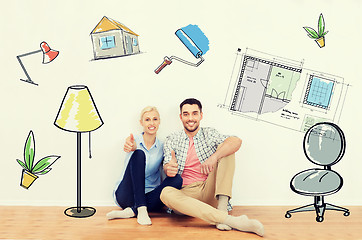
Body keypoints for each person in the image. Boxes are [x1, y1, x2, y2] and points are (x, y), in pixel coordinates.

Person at [160, 98, 264, 236]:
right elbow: (167, 165)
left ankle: (222, 209)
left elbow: (236, 141)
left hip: (209, 189)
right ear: (181, 117)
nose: (190, 118)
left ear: (201, 115)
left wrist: (214, 157)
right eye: (186, 114)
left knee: (227, 148)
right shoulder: (171, 139)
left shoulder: (209, 133)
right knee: (165, 193)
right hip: (187, 195)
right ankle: (231, 220)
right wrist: (169, 168)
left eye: (194, 113)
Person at [107, 106, 183, 225]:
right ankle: (141, 209)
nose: (151, 123)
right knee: (139, 154)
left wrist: (170, 166)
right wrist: (131, 147)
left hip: (150, 196)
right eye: (147, 120)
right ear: (141, 123)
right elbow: (130, 143)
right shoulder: (134, 141)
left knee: (177, 179)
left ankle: (132, 211)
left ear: (159, 122)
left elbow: (168, 166)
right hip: (126, 195)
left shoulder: (163, 146)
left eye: (155, 119)